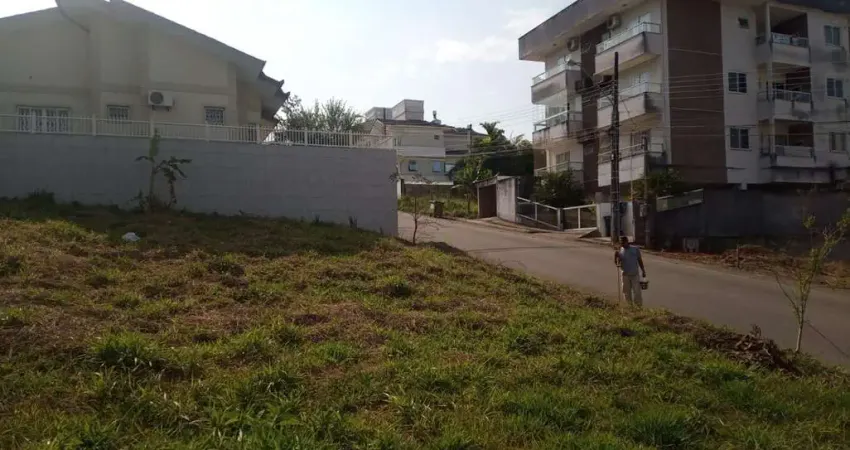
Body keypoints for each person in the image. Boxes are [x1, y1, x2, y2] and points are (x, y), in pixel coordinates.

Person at [614, 236, 646, 307]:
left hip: (634, 274)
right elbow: (618, 262)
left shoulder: (635, 249)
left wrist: (643, 270)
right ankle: (629, 307)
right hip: (625, 274)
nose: (622, 244)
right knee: (626, 292)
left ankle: (638, 307)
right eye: (621, 243)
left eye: (623, 243)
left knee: (637, 292)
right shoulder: (621, 250)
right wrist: (616, 257)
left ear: (627, 242)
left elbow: (639, 260)